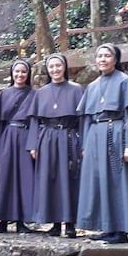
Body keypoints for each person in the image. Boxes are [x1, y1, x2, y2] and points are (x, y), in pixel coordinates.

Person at [76, 43, 128, 244]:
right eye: (99, 56)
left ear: (115, 59)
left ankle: (121, 229)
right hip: (96, 136)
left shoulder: (125, 82)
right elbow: (86, 118)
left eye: (107, 55)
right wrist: (85, 145)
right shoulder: (92, 86)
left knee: (120, 181)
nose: (102, 59)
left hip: (117, 133)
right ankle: (106, 226)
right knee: (100, 181)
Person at [25, 53, 83, 238]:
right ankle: (56, 223)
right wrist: (33, 144)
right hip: (47, 138)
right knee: (50, 179)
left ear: (64, 67)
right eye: (52, 67)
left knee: (70, 178)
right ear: (48, 70)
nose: (55, 70)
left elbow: (82, 119)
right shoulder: (41, 92)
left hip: (69, 135)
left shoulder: (76, 89)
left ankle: (71, 223)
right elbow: (35, 120)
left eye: (58, 66)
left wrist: (83, 143)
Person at [0, 59, 37, 234]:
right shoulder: (4, 94)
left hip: (26, 136)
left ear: (28, 74)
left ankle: (22, 221)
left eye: (23, 72)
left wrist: (34, 143)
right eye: (17, 72)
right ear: (12, 73)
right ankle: (3, 219)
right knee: (6, 178)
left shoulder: (34, 94)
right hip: (8, 137)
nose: (20, 75)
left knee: (25, 178)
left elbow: (36, 121)